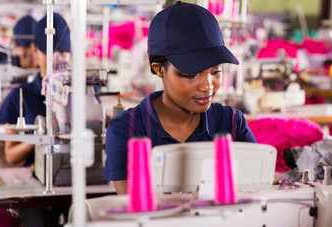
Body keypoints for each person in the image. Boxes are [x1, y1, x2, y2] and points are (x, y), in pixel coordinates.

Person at [104, 1, 256, 195]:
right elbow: (134, 209)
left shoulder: (231, 122)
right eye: (191, 74)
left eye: (215, 71)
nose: (208, 85)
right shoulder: (127, 129)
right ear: (159, 69)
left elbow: (253, 192)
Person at [0, 12, 71, 227]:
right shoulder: (20, 97)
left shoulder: (81, 95)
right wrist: (44, 133)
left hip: (71, 188)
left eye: (63, 55)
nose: (57, 61)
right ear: (37, 52)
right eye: (50, 55)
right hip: (34, 193)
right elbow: (10, 155)